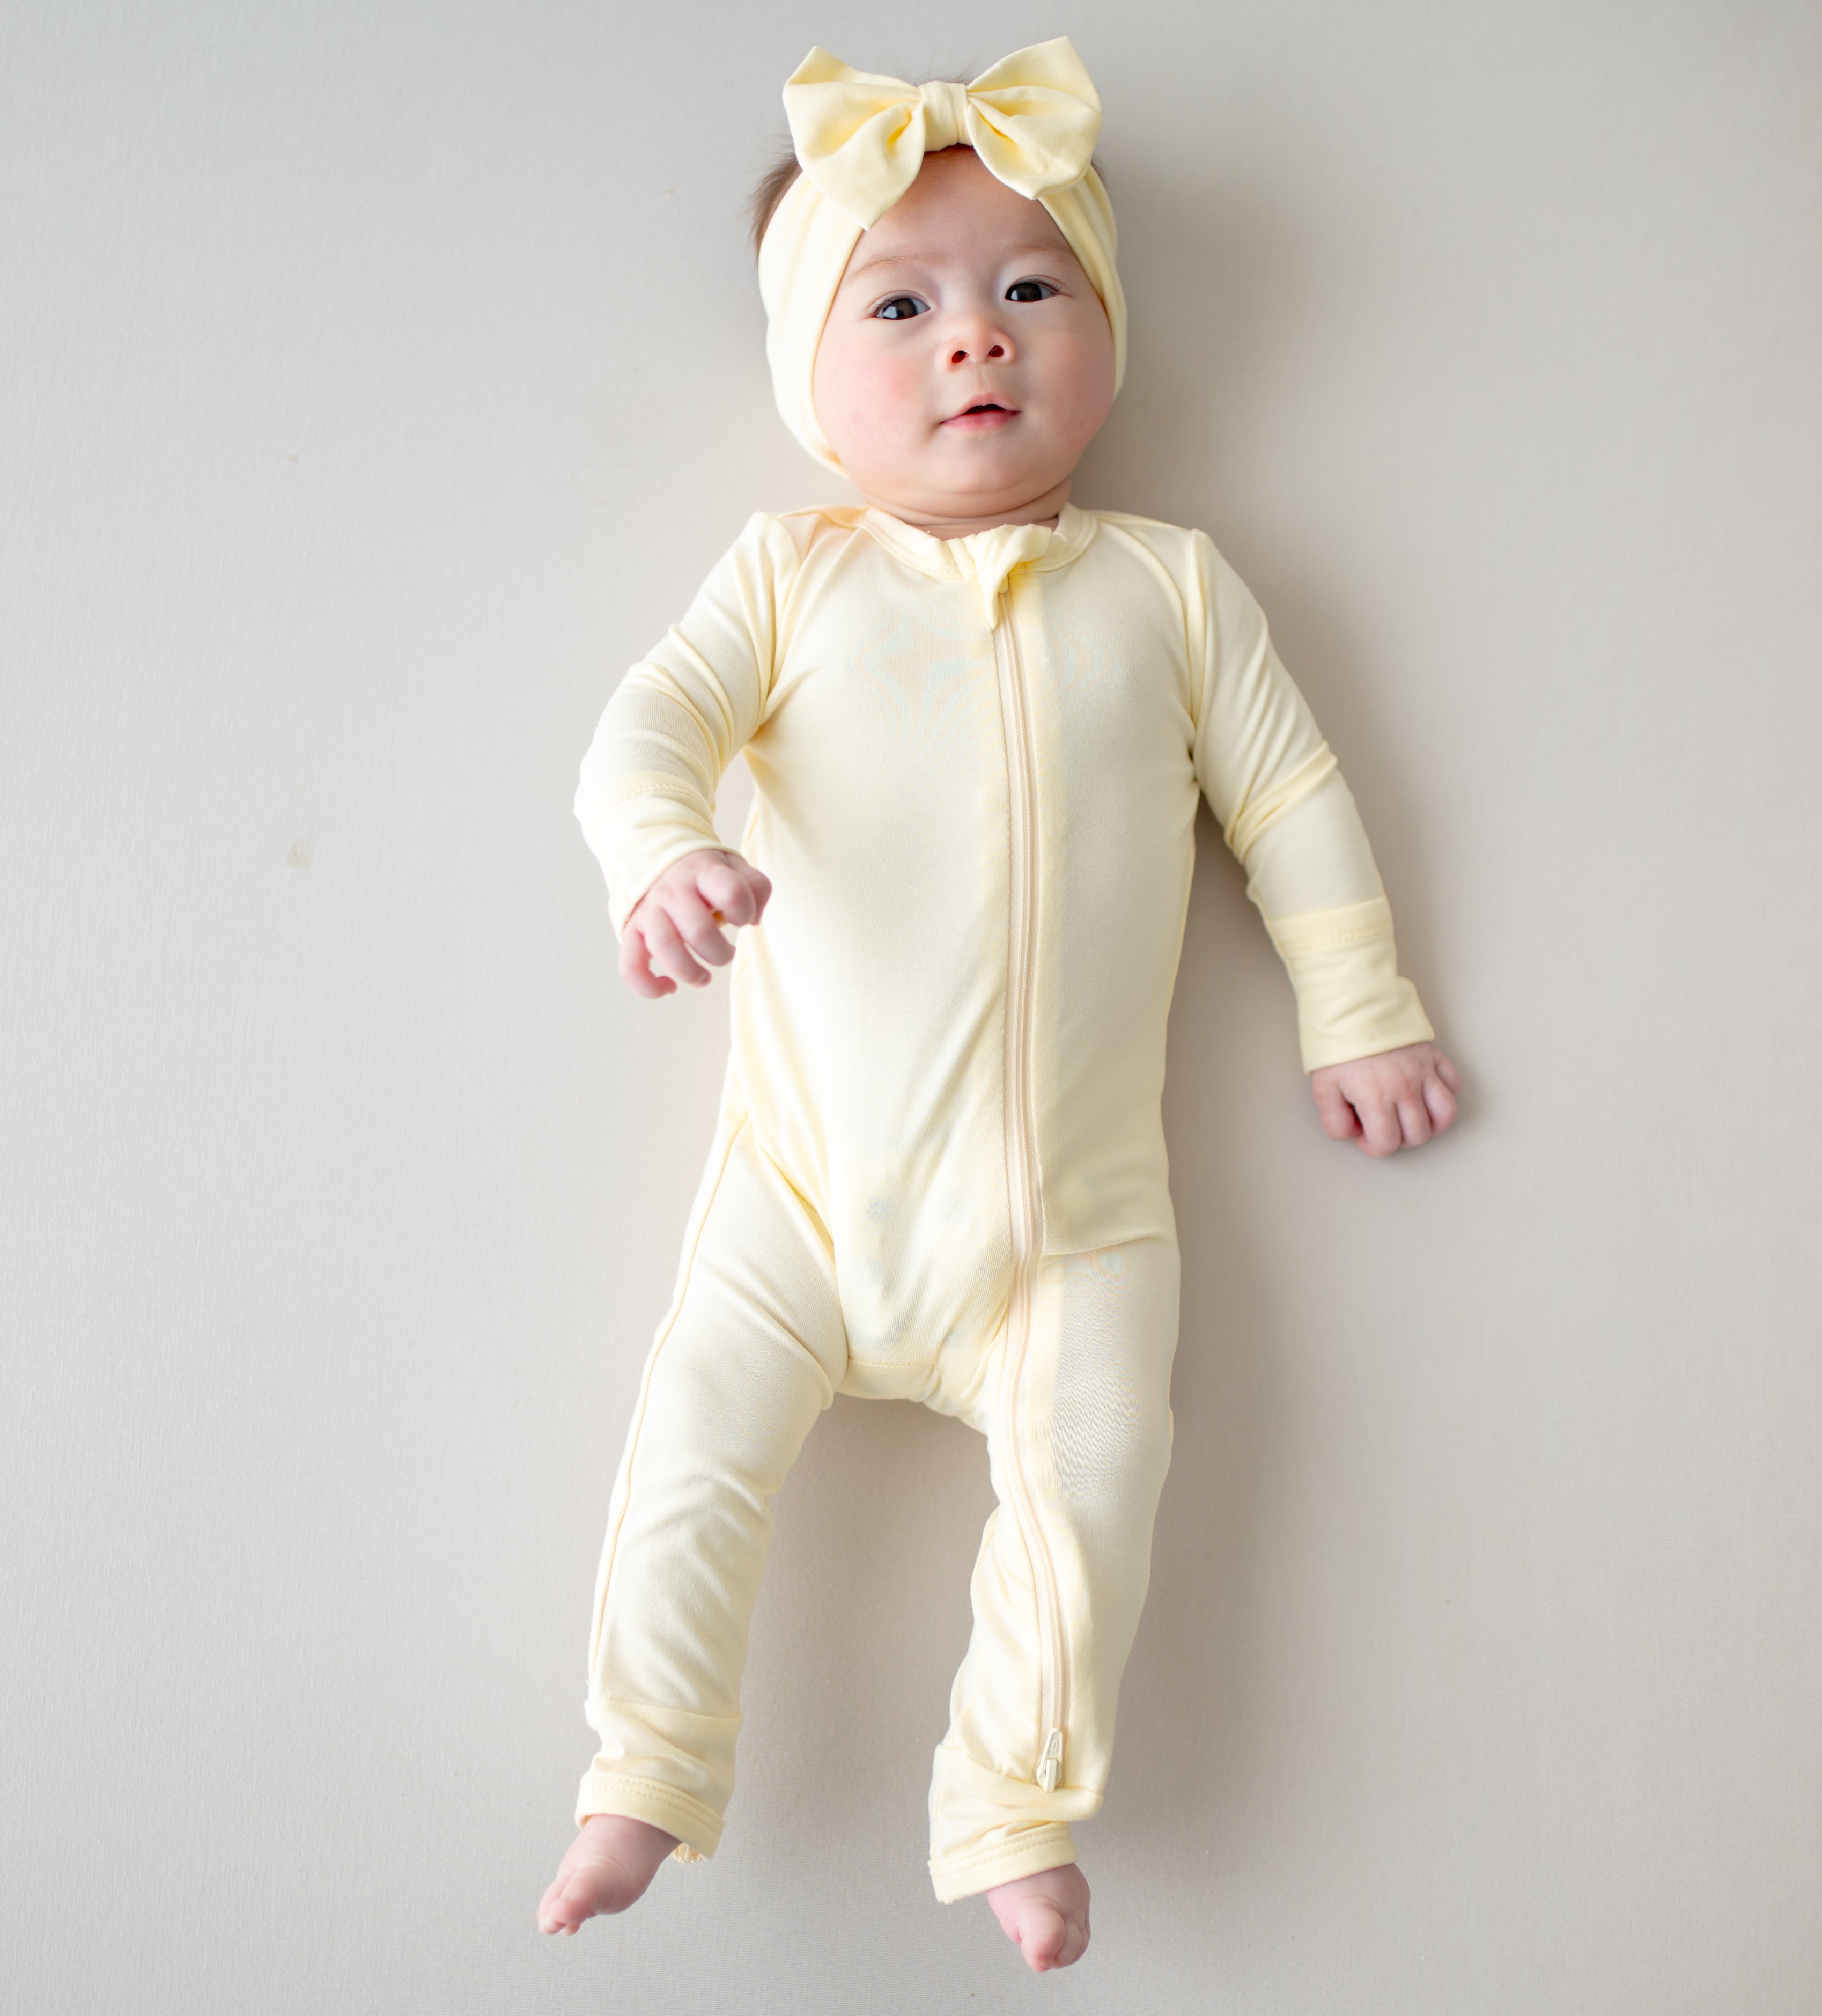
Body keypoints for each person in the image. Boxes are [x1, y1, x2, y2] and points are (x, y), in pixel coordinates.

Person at [536, 39, 1460, 1973]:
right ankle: (644, 1762)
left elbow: (1291, 801)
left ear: (1106, 331)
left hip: (1075, 1225)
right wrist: (661, 858)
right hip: (797, 1201)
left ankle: (1013, 1802)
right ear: (813, 384)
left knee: (1098, 1479)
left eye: (1031, 287)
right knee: (691, 1452)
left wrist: (1356, 1007)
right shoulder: (788, 579)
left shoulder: (1175, 591)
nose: (977, 339)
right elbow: (645, 732)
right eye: (905, 303)